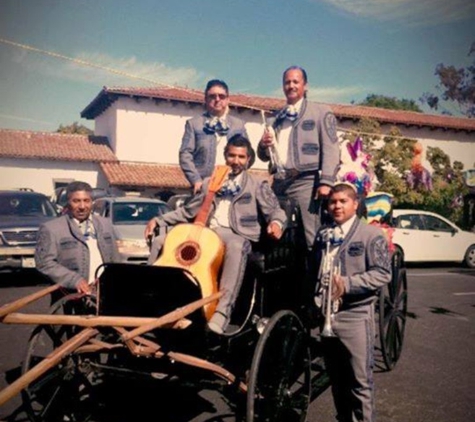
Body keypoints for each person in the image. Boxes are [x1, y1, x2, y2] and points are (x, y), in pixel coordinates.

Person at [145, 135, 287, 334]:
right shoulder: (210, 182)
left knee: (236, 247)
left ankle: (221, 313)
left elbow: (276, 211)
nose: (235, 161)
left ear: (248, 160)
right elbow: (188, 211)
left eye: (241, 157)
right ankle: (148, 300)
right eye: (231, 155)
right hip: (207, 231)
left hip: (236, 234)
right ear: (225, 156)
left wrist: (276, 223)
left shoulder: (257, 185)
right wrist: (159, 221)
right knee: (162, 240)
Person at [312, 182, 392, 422]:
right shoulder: (323, 233)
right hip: (327, 316)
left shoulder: (371, 234)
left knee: (359, 381)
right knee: (337, 379)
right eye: (333, 202)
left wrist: (347, 284)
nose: (336, 206)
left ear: (355, 204)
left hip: (355, 315)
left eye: (342, 201)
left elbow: (382, 273)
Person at [257, 65, 340, 251]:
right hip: (279, 182)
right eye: (287, 82)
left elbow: (332, 148)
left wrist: (326, 181)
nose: (291, 85)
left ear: (305, 86)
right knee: (278, 234)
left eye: (296, 81)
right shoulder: (275, 118)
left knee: (311, 236)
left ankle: (315, 278)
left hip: (306, 182)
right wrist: (263, 144)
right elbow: (263, 157)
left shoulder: (321, 112)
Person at [35, 181, 121, 295]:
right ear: (68, 202)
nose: (82, 206)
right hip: (69, 295)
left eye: (86, 201)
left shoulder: (105, 224)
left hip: (103, 293)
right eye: (76, 201)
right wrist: (75, 280)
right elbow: (44, 263)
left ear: (92, 202)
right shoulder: (51, 228)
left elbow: (115, 259)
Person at [179, 79, 249, 194]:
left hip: (233, 186)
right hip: (203, 185)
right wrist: (196, 180)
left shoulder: (239, 125)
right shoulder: (194, 124)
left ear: (227, 100)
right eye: (212, 96)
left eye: (221, 96)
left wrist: (240, 176)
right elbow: (185, 154)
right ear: (206, 100)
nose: (217, 99)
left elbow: (248, 155)